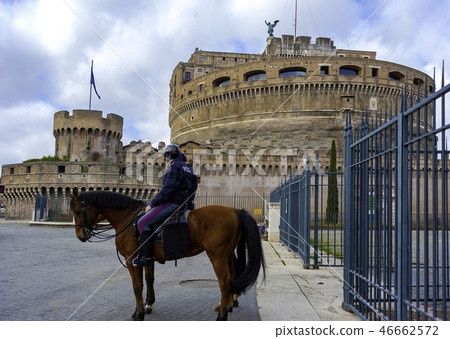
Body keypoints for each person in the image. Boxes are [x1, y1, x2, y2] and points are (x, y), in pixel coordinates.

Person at [129, 144, 198, 266]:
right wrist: (189, 202)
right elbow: (193, 188)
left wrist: (152, 204)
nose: (167, 160)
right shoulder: (189, 169)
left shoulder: (174, 166)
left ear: (169, 156)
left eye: (167, 157)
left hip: (172, 203)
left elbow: (167, 189)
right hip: (185, 204)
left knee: (142, 222)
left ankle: (147, 257)